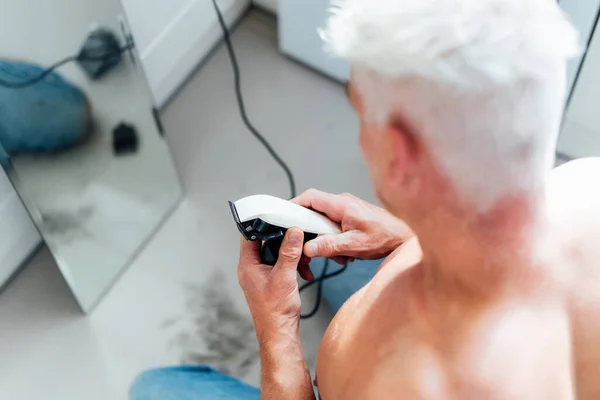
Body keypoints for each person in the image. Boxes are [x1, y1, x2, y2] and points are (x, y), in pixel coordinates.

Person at [132, 0, 600, 398]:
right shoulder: (586, 181)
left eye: (357, 109)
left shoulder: (401, 383)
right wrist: (410, 238)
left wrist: (277, 338)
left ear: (399, 156)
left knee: (154, 387)